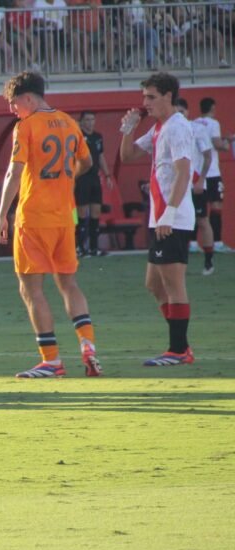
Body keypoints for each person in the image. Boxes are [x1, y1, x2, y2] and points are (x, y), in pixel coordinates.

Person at [0, 71, 101, 379]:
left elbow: (13, 174)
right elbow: (87, 162)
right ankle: (88, 344)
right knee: (69, 284)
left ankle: (51, 361)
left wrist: (2, 214)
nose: (12, 110)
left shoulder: (26, 127)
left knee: (31, 289)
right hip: (65, 217)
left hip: (34, 218)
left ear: (28, 98)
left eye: (14, 103)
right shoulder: (70, 123)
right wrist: (65, 177)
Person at [119, 72, 196, 367]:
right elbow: (128, 156)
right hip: (161, 217)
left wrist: (170, 211)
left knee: (173, 283)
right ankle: (182, 346)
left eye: (150, 97)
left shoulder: (177, 127)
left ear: (168, 96)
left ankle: (178, 350)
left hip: (171, 217)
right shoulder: (159, 128)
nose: (145, 103)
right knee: (154, 283)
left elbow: (183, 171)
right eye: (144, 97)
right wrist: (128, 129)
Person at [175, 98, 215, 276]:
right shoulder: (169, 130)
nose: (180, 115)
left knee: (202, 221)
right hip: (177, 185)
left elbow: (207, 156)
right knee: (177, 223)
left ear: (188, 112)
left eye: (182, 111)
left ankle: (208, 261)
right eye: (176, 112)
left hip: (195, 183)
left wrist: (201, 180)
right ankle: (179, 262)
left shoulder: (197, 129)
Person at [192, 97, 231, 253]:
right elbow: (217, 144)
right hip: (212, 172)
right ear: (213, 108)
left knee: (197, 210)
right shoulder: (214, 124)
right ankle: (218, 242)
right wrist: (227, 142)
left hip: (198, 172)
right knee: (215, 206)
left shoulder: (194, 123)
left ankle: (193, 244)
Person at [74, 111, 113, 257]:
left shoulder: (98, 137)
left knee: (96, 212)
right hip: (82, 178)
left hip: (95, 178)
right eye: (87, 120)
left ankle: (94, 248)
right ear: (81, 121)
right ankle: (80, 247)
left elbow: (101, 156)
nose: (90, 122)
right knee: (82, 214)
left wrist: (107, 174)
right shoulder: (78, 136)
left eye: (92, 119)